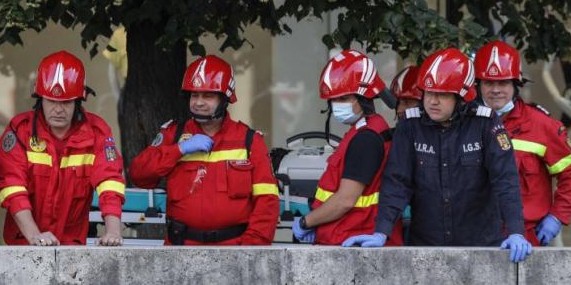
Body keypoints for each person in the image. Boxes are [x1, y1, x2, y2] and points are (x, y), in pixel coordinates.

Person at [343, 47, 532, 263]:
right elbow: (397, 182)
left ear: (461, 98)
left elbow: (505, 181)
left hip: (481, 247)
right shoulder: (410, 125)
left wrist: (516, 231)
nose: (433, 101)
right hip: (425, 248)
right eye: (429, 93)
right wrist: (381, 232)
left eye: (442, 95)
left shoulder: (486, 123)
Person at [130, 55, 278, 245]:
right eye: (194, 95)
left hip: (235, 248)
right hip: (181, 247)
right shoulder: (173, 135)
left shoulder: (249, 141)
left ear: (225, 99)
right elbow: (139, 174)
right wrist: (178, 150)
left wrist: (250, 249)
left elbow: (267, 201)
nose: (198, 102)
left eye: (207, 95)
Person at [0, 51, 125, 246]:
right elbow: (11, 187)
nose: (58, 109)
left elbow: (110, 183)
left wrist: (113, 232)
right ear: (40, 99)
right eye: (51, 101)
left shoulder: (96, 132)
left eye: (65, 102)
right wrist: (34, 235)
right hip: (24, 245)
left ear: (78, 100)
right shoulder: (20, 132)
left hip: (72, 246)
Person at [475, 40, 571, 246]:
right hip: (474, 238)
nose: (496, 89)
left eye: (503, 82)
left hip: (527, 240)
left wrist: (556, 217)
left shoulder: (541, 125)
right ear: (478, 85)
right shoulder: (465, 124)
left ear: (516, 85)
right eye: (489, 82)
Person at [292, 50, 402, 245]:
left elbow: (345, 200)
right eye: (333, 100)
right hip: (348, 237)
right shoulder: (368, 129)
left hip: (351, 240)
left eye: (344, 99)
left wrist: (306, 222)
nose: (336, 106)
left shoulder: (365, 140)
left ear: (364, 99)